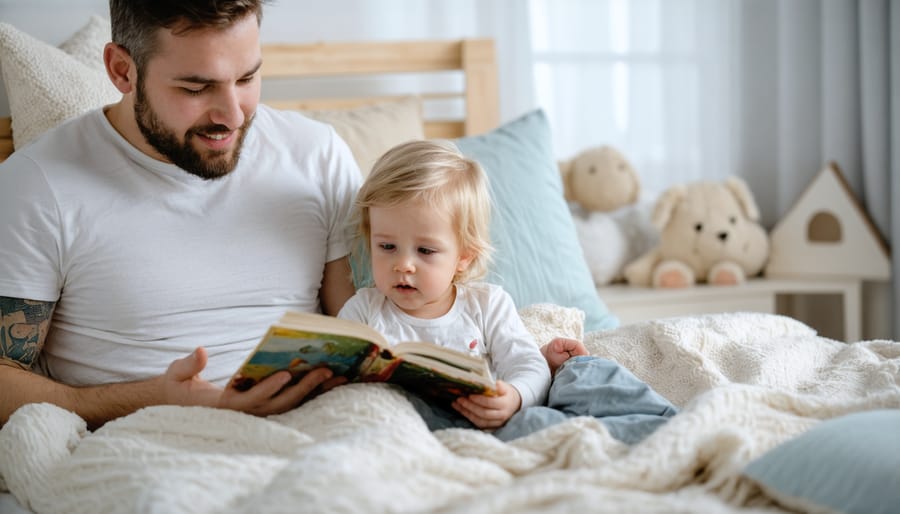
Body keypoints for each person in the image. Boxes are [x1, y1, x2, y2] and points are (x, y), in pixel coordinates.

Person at [0, 0, 361, 429]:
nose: (233, 115)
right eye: (196, 88)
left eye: (247, 78)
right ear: (121, 70)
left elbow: (365, 323)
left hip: (320, 425)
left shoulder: (316, 154)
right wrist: (153, 400)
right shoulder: (39, 184)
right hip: (146, 437)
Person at [338, 139, 551, 430]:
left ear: (463, 256)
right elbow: (338, 383)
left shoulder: (486, 304)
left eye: (425, 251)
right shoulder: (363, 311)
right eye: (387, 246)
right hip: (401, 426)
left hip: (476, 420)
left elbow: (531, 365)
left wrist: (514, 397)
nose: (403, 265)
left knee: (585, 372)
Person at [494, 337, 679, 444]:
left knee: (584, 372)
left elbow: (520, 355)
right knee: (532, 423)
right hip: (514, 419)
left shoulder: (491, 300)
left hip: (559, 378)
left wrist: (541, 364)